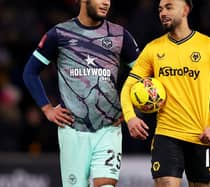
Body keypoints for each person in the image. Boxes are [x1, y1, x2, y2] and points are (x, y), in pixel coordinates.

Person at [120, 0, 210, 187]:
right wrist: (130, 117)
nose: (163, 13)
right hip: (167, 135)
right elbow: (128, 86)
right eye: (160, 9)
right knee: (166, 183)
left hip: (202, 135)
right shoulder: (153, 49)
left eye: (168, 7)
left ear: (185, 10)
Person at [23, 0, 139, 186]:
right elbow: (30, 72)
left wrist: (130, 108)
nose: (106, 2)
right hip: (72, 130)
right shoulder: (59, 34)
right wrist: (47, 109)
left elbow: (143, 74)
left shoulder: (119, 35)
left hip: (109, 129)